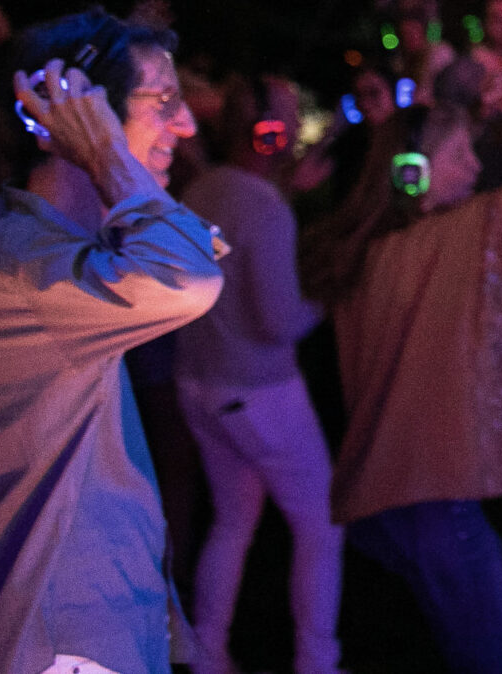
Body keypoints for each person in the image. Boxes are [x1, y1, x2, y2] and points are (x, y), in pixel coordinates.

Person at [0, 11, 220, 674]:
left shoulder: (53, 253)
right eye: (165, 103)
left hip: (81, 632)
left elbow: (92, 463)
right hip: (58, 641)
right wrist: (105, 157)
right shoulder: (23, 262)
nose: (188, 125)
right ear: (74, 111)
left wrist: (165, 616)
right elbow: (189, 281)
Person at [304, 56, 502, 674]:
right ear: (414, 173)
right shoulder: (444, 240)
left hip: (400, 489)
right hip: (432, 496)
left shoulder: (380, 249)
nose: (476, 169)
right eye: (461, 156)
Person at [175, 75, 343, 674]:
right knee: (323, 523)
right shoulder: (262, 206)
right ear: (266, 134)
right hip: (261, 390)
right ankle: (317, 662)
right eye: (292, 119)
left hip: (198, 384)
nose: (299, 129)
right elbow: (277, 321)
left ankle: (209, 652)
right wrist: (329, 298)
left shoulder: (201, 191)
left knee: (232, 522)